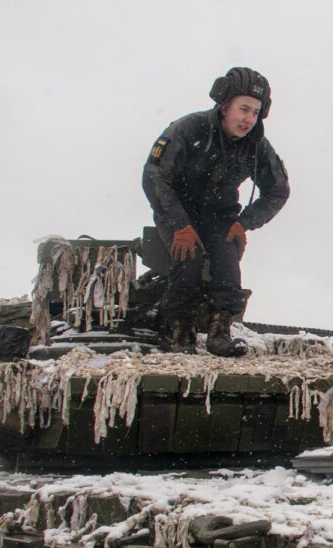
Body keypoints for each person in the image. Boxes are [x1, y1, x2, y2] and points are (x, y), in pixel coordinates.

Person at [142, 67, 290, 357]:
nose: (249, 119)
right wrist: (179, 225)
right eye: (243, 109)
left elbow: (278, 191)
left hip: (219, 215)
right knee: (189, 260)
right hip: (177, 209)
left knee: (227, 261)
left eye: (256, 112)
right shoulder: (188, 129)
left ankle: (220, 331)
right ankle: (178, 330)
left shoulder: (256, 146)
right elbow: (155, 177)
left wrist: (244, 223)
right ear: (224, 106)